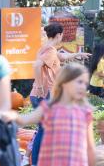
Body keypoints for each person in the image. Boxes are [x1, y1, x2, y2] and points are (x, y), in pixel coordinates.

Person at [2, 63, 96, 166]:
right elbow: (26, 119)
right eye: (79, 82)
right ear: (64, 83)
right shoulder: (48, 108)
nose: (83, 87)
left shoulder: (85, 112)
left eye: (85, 83)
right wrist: (12, 116)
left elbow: (90, 147)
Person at [29, 22, 89, 166]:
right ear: (58, 35)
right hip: (43, 95)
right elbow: (37, 65)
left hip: (39, 95)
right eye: (62, 35)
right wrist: (41, 87)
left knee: (45, 129)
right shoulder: (49, 50)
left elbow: (61, 57)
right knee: (44, 130)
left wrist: (78, 54)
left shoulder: (47, 48)